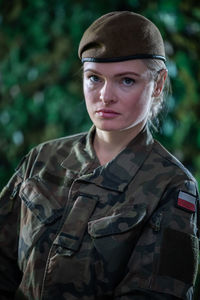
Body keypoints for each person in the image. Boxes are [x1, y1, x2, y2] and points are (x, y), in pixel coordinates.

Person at [0, 11, 199, 300]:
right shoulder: (42, 159)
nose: (106, 96)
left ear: (157, 84)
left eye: (126, 81)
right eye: (94, 78)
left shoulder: (172, 186)